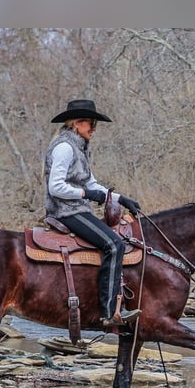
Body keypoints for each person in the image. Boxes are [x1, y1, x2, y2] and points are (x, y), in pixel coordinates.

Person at [44, 99, 142, 327]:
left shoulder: (79, 147)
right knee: (114, 244)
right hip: (65, 211)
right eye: (91, 124)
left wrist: (119, 198)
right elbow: (55, 187)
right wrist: (85, 194)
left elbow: (92, 183)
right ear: (77, 123)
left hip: (77, 208)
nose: (94, 129)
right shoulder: (64, 148)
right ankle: (109, 312)